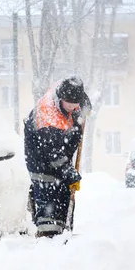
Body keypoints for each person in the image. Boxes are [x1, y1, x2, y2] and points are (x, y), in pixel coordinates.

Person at [24, 76, 89, 237]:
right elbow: (54, 155)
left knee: (64, 199)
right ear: (61, 98)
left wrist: (84, 109)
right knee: (49, 209)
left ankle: (63, 234)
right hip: (41, 163)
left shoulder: (65, 90)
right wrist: (71, 174)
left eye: (76, 104)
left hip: (60, 159)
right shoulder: (48, 118)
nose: (73, 108)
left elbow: (83, 102)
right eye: (69, 104)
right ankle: (47, 239)